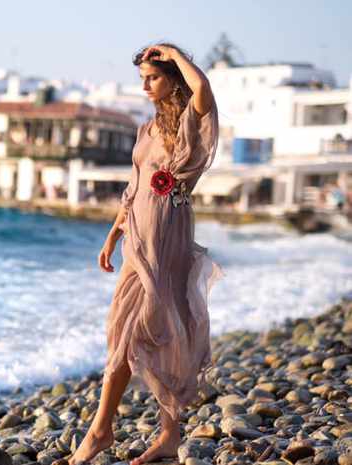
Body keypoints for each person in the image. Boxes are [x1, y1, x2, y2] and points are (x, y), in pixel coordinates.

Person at [54, 43, 225, 465]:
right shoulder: (145, 130)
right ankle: (162, 434)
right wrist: (112, 234)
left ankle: (102, 431)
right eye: (143, 79)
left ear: (173, 79)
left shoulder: (190, 121)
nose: (146, 86)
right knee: (127, 331)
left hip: (167, 236)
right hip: (137, 238)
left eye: (153, 77)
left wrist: (173, 52)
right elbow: (133, 189)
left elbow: (202, 86)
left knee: (148, 330)